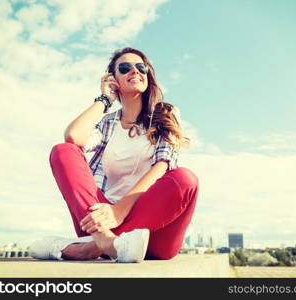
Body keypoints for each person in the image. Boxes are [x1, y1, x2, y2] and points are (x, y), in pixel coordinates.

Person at [29, 47, 199, 263]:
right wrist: (104, 99)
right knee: (63, 151)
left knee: (185, 179)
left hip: (155, 230)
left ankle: (91, 249)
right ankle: (107, 243)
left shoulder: (165, 114)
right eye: (125, 67)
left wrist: (120, 210)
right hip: (100, 220)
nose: (135, 71)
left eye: (141, 67)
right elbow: (73, 137)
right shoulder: (108, 124)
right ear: (113, 79)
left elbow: (162, 165)